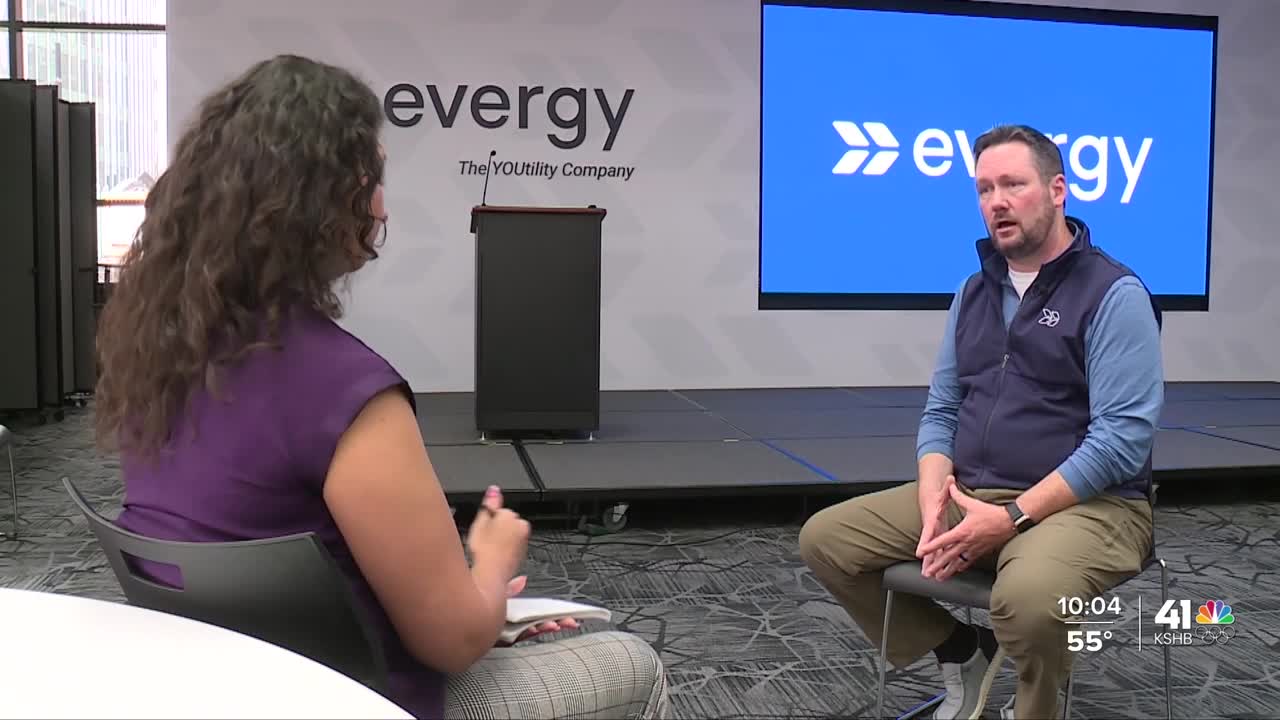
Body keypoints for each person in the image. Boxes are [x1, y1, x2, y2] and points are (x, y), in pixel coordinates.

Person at [93, 54, 669, 720]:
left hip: (225, 683)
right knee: (632, 665)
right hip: (352, 697)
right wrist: (490, 560)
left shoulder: (158, 354)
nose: (382, 206)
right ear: (317, 200)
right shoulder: (348, 395)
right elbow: (452, 642)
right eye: (372, 179)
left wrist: (476, 611)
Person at [798, 124, 1162, 720]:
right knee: (827, 542)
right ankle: (964, 650)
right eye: (985, 189)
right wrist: (932, 495)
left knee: (1028, 601)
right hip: (974, 492)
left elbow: (1121, 442)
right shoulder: (973, 291)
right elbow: (943, 408)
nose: (998, 201)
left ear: (1057, 190)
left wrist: (1012, 516)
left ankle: (1035, 709)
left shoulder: (1113, 293)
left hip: (1092, 507)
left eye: (1014, 184)